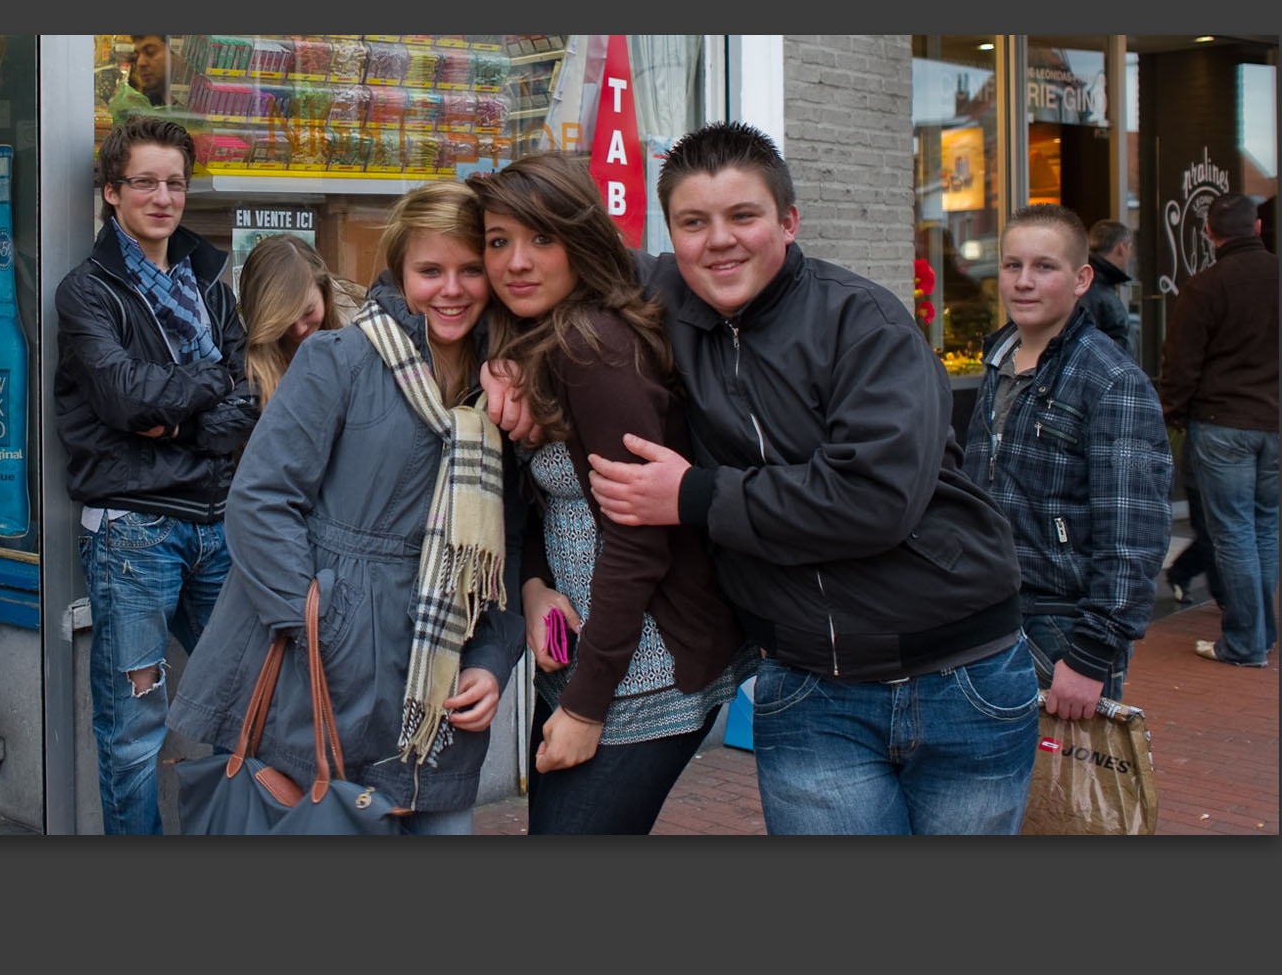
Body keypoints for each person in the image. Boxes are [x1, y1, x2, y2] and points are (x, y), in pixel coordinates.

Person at [493, 121, 1038, 835]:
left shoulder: (864, 324)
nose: (719, 240)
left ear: (788, 221)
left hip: (959, 669)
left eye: (743, 216)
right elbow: (531, 266)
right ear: (671, 234)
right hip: (809, 685)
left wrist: (694, 496)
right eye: (694, 222)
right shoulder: (666, 299)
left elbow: (874, 501)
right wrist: (498, 355)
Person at [169, 181, 523, 834]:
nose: (452, 289)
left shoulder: (504, 388)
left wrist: (492, 663)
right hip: (323, 676)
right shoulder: (342, 359)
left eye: (471, 269)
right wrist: (322, 625)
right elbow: (259, 501)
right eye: (430, 270)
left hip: (437, 688)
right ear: (399, 271)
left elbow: (506, 553)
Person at [469, 153, 753, 835]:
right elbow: (547, 499)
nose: (516, 262)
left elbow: (638, 538)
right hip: (584, 657)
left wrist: (587, 706)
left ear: (582, 240)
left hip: (641, 675)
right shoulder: (538, 338)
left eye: (542, 238)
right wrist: (535, 585)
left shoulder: (593, 346)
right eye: (498, 241)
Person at [53, 114, 259, 834]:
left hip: (215, 523)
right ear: (112, 191)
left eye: (174, 182)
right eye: (144, 182)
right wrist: (201, 398)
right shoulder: (87, 293)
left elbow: (243, 395)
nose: (162, 197)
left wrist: (181, 410)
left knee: (250, 703)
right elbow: (123, 397)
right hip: (134, 532)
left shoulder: (210, 282)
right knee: (136, 731)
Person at [961, 205, 1173, 716]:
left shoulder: (1113, 382)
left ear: (1081, 280)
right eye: (1013, 266)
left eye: (1044, 267)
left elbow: (1133, 534)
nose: (1024, 282)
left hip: (1062, 626)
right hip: (984, 611)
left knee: (1059, 793)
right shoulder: (999, 362)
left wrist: (1094, 653)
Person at [1159, 192, 1279, 668]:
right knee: (1265, 530)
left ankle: (1246, 643)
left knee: (1233, 533)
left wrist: (1173, 413)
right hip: (1275, 424)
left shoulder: (1205, 287)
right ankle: (1262, 635)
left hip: (1221, 424)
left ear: (1210, 234)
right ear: (1258, 226)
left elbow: (1182, 363)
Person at [236, 234, 351, 410]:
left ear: (324, 291)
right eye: (283, 321)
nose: (299, 329)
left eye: (308, 311)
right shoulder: (240, 357)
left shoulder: (357, 335)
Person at [1082, 219, 1138, 357]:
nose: (1130, 255)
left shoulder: (1098, 283)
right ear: (1121, 247)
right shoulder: (1093, 287)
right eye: (1130, 248)